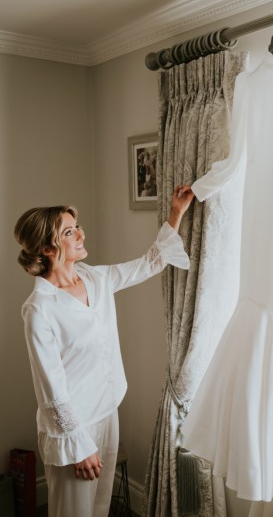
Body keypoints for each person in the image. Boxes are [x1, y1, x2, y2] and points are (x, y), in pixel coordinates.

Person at [14, 185, 194, 517]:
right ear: (47, 248)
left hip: (108, 411)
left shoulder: (95, 279)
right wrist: (79, 447)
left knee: (99, 509)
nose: (80, 234)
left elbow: (148, 263)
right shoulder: (39, 309)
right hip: (74, 427)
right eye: (69, 232)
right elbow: (50, 390)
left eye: (76, 226)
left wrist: (177, 211)